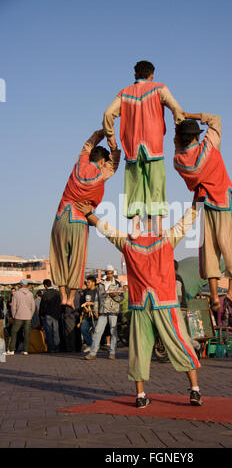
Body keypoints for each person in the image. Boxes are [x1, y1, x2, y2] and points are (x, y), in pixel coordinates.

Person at [76, 199, 203, 408]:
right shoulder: (166, 239)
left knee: (139, 349)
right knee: (180, 342)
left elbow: (107, 231)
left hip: (140, 304)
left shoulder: (128, 243)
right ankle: (195, 391)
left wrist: (90, 214)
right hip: (165, 302)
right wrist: (197, 200)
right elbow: (186, 221)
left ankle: (141, 395)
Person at [103, 60, 184, 238]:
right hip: (154, 146)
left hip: (132, 148)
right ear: (152, 74)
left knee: (133, 187)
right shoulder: (159, 88)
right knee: (156, 185)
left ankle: (135, 229)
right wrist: (179, 129)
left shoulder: (124, 93)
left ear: (135, 75)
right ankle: (157, 228)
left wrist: (111, 137)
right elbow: (176, 108)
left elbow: (108, 114)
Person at [174, 114, 232, 313]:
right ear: (196, 135)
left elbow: (177, 147)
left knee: (209, 252)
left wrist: (177, 136)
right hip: (224, 200)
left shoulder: (180, 160)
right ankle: (231, 291)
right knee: (230, 247)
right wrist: (187, 115)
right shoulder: (209, 146)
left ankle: (213, 296)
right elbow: (216, 119)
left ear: (181, 138)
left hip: (205, 205)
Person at [50, 129, 120, 308]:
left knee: (59, 257)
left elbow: (88, 144)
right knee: (78, 259)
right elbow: (115, 163)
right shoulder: (102, 172)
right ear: (102, 161)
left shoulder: (80, 163)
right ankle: (71, 298)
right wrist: (113, 143)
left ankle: (63, 294)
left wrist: (102, 132)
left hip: (61, 217)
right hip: (79, 218)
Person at [85, 266, 123, 360]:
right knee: (97, 331)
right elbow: (97, 298)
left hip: (113, 310)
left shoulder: (117, 283)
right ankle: (93, 353)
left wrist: (114, 296)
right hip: (102, 310)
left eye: (111, 273)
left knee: (113, 331)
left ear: (113, 273)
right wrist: (96, 309)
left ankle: (112, 352)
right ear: (105, 273)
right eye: (107, 273)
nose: (109, 275)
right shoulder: (101, 284)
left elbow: (121, 298)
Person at [6, 279, 35, 355]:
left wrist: (14, 315)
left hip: (19, 316)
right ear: (27, 285)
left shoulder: (16, 294)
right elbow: (33, 307)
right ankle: (25, 350)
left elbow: (13, 306)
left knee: (14, 331)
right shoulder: (30, 294)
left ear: (20, 285)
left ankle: (12, 350)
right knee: (26, 333)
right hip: (28, 316)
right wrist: (30, 315)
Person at [39, 279, 62, 353]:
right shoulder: (57, 293)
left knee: (48, 331)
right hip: (56, 315)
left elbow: (42, 306)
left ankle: (51, 348)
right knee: (56, 331)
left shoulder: (45, 294)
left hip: (48, 314)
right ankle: (57, 347)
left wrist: (41, 314)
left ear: (45, 285)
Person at [79, 275, 99, 352]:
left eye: (89, 282)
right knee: (83, 329)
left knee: (95, 332)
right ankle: (89, 344)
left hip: (95, 315)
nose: (87, 284)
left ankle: (95, 347)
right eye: (87, 282)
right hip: (86, 315)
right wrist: (84, 309)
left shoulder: (97, 292)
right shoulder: (85, 292)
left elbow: (100, 302)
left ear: (93, 283)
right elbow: (83, 302)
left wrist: (92, 303)